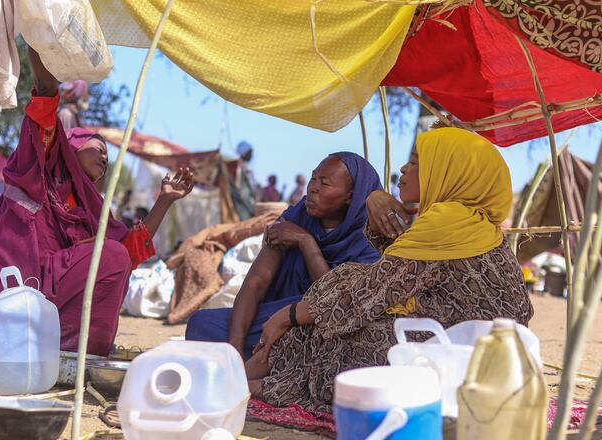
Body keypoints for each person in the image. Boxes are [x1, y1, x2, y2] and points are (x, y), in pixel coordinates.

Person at [245, 128, 533, 412]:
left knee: (343, 332)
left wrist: (286, 317)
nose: (404, 169)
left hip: (465, 360)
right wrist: (375, 202)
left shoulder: (447, 226)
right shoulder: (470, 224)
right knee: (342, 288)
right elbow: (397, 272)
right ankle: (268, 369)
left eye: (418, 163)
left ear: (447, 172)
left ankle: (269, 384)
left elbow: (367, 297)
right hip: (491, 357)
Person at [0, 48, 194, 356]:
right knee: (109, 254)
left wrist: (164, 201)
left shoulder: (92, 210)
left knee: (113, 256)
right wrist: (40, 36)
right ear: (71, 148)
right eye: (97, 147)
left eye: (107, 154)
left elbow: (127, 252)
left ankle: (74, 355)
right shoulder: (39, 169)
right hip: (1, 290)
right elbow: (44, 96)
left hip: (40, 296)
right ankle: (73, 351)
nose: (105, 155)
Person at [185, 152, 383, 357]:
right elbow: (256, 282)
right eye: (313, 178)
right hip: (276, 317)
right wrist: (234, 346)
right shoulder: (296, 216)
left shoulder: (369, 241)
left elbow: (332, 301)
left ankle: (267, 360)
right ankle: (257, 359)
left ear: (351, 196)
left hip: (325, 326)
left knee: (328, 344)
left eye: (325, 183)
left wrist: (306, 242)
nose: (313, 187)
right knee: (201, 324)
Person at [230, 140, 258, 220]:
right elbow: (239, 187)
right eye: (249, 153)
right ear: (244, 153)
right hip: (242, 207)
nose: (251, 155)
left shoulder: (247, 168)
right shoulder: (238, 167)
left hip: (249, 204)